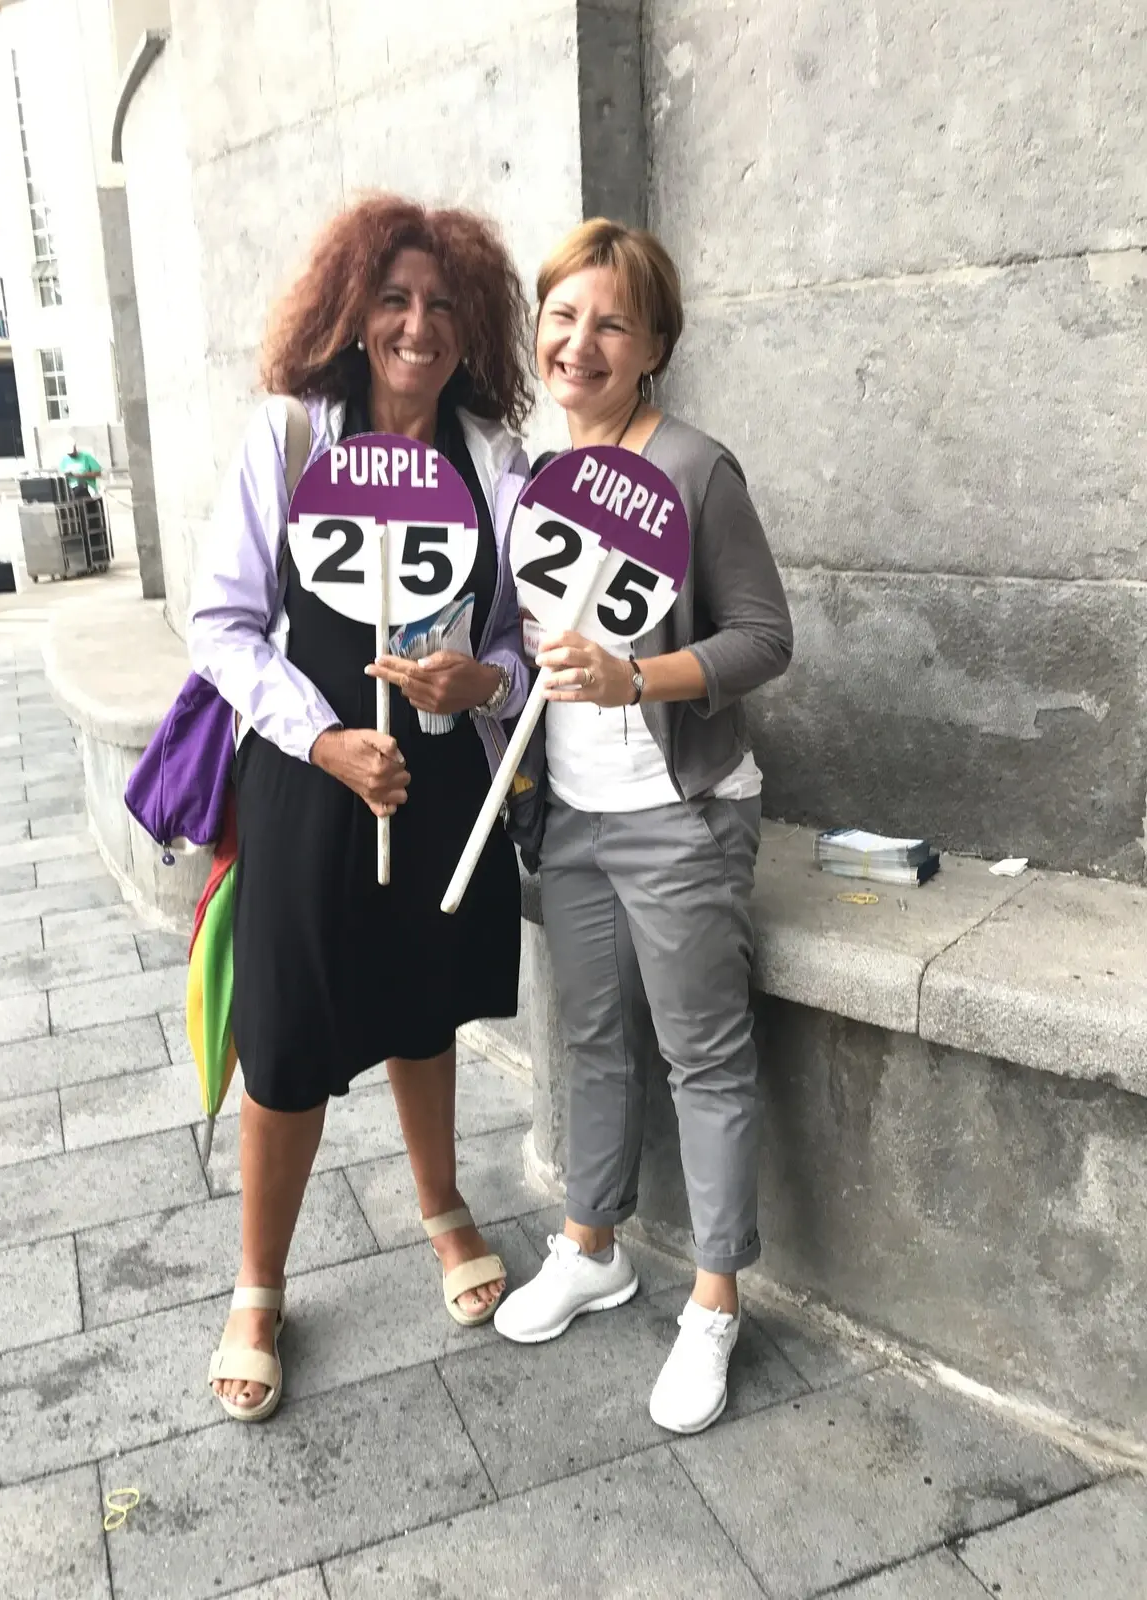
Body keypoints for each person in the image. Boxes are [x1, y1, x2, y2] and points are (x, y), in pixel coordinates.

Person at [188, 195, 533, 1421]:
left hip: (438, 781)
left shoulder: (495, 461)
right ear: (351, 310)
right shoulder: (289, 437)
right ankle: (258, 1283)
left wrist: (481, 682)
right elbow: (222, 626)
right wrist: (328, 739)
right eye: (393, 298)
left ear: (472, 322)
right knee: (287, 1032)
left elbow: (523, 644)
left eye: (442, 303)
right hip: (307, 774)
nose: (417, 324)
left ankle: (441, 1203)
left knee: (423, 1000)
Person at [493, 219, 794, 1436]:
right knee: (592, 1040)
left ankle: (715, 1302)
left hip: (681, 815)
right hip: (571, 813)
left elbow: (765, 637)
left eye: (613, 322)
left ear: (655, 345)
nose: (581, 341)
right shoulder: (533, 482)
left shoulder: (694, 468)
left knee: (702, 1057)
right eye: (564, 315)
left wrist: (638, 677)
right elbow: (523, 655)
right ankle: (592, 1244)